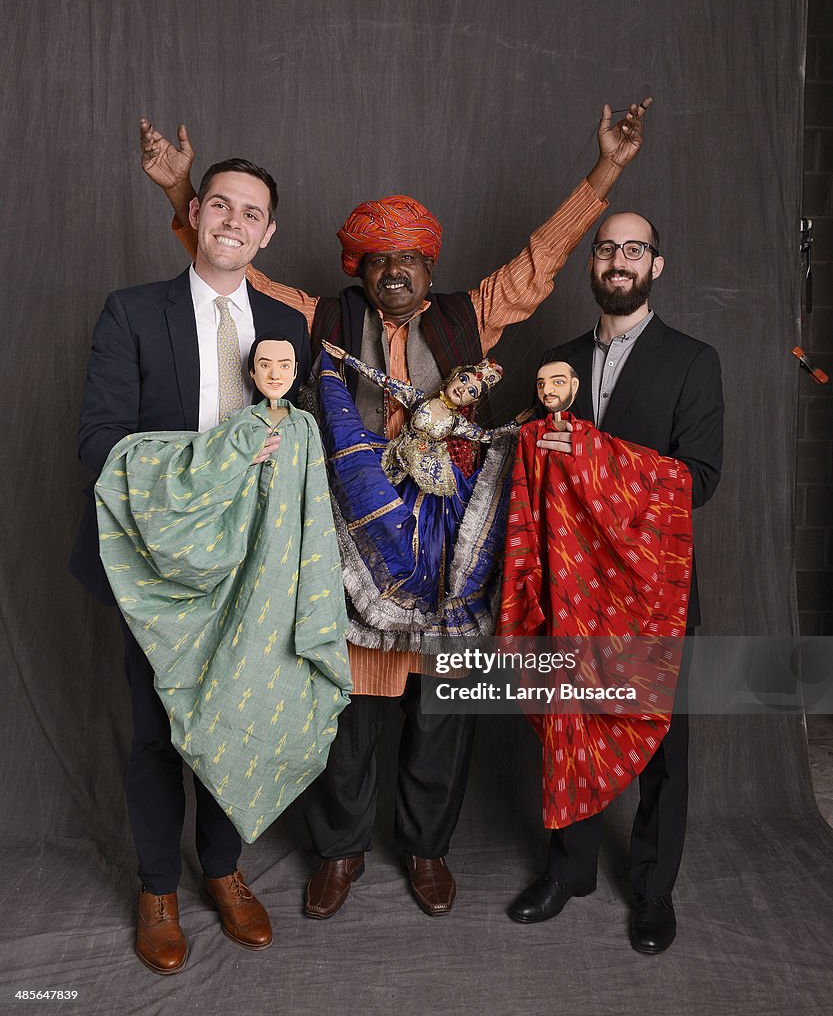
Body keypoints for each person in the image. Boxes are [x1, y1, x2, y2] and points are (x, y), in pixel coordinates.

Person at [138, 98, 651, 919]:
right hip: (352, 539)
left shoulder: (468, 316)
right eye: (379, 260)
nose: (396, 272)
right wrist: (181, 196)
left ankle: (425, 851)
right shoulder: (326, 318)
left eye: (410, 258)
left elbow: (541, 260)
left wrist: (607, 171)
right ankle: (339, 855)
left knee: (443, 712)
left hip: (456, 542)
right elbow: (239, 270)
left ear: (428, 265)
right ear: (359, 268)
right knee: (348, 711)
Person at [71, 159, 311, 974]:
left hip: (251, 566)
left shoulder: (288, 323)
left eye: (252, 213)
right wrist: (219, 462)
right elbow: (99, 442)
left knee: (231, 717)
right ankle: (155, 889)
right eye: (221, 206)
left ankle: (220, 870)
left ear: (267, 232)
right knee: (153, 730)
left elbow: (297, 442)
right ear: (196, 215)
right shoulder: (133, 313)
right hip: (155, 565)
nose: (234, 223)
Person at [506, 212, 724, 954]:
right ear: (592, 264)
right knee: (569, 726)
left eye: (634, 249)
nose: (619, 259)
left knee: (662, 748)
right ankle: (566, 871)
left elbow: (697, 480)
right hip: (572, 592)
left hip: (654, 593)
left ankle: (653, 890)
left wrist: (596, 456)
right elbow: (535, 473)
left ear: (655, 265)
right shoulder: (555, 360)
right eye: (607, 248)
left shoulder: (692, 361)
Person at [94, 336, 352, 846]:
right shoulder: (240, 427)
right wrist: (237, 460)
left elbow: (316, 506)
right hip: (232, 574)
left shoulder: (305, 428)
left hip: (285, 581)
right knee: (202, 708)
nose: (275, 373)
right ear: (250, 373)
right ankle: (161, 884)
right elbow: (193, 475)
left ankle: (223, 868)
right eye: (264, 364)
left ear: (296, 370)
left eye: (284, 364)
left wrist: (314, 581)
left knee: (264, 686)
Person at [318, 342, 522, 643]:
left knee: (425, 541)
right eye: (464, 380)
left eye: (472, 392)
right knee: (377, 508)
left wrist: (518, 425)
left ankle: (410, 599)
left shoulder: (456, 422)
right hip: (397, 465)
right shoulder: (418, 399)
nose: (464, 389)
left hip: (432, 482)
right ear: (453, 376)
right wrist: (346, 358)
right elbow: (381, 379)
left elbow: (487, 437)